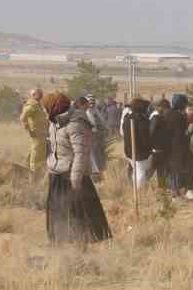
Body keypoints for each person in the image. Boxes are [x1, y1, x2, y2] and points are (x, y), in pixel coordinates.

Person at [45, 93, 112, 245]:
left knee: (78, 216)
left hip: (73, 177)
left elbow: (81, 154)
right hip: (57, 175)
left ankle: (79, 249)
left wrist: (76, 179)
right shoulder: (54, 123)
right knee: (59, 214)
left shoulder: (75, 123)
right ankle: (61, 246)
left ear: (55, 107)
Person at [121, 97, 154, 188]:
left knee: (137, 171)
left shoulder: (127, 118)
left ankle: (136, 188)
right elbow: (145, 137)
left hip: (129, 150)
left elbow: (122, 132)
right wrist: (149, 147)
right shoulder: (142, 120)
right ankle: (139, 191)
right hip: (140, 151)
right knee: (140, 173)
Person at [21, 89, 49, 176]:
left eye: (41, 93)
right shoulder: (31, 105)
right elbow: (23, 118)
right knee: (36, 155)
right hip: (36, 134)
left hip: (42, 134)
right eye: (39, 93)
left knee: (40, 155)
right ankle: (33, 175)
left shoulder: (38, 105)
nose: (41, 95)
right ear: (33, 95)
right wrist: (29, 130)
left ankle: (35, 172)